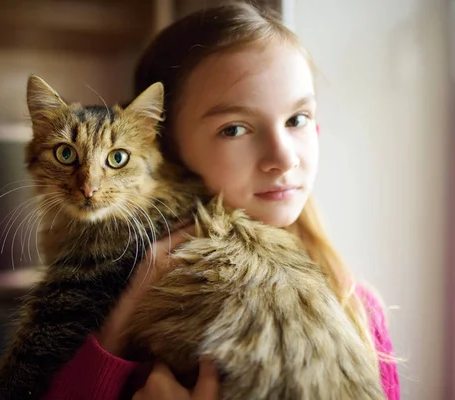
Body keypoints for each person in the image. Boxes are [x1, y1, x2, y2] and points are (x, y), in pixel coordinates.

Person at [41, 3, 400, 399]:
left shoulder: (360, 309)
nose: (283, 158)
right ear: (165, 151)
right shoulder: (105, 297)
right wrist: (117, 326)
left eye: (297, 119)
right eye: (234, 128)